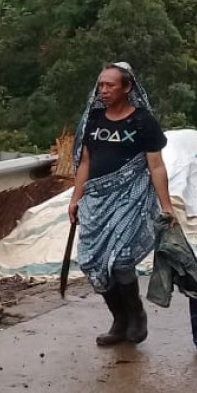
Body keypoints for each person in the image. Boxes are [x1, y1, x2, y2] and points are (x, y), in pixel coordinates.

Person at [68, 62, 174, 346]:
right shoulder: (94, 120)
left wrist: (167, 206)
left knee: (120, 262)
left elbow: (156, 166)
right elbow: (85, 162)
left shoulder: (142, 122)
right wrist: (75, 198)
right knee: (93, 262)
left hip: (130, 199)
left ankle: (136, 315)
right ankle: (119, 320)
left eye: (110, 85)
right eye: (101, 85)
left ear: (127, 88)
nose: (103, 90)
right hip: (96, 201)